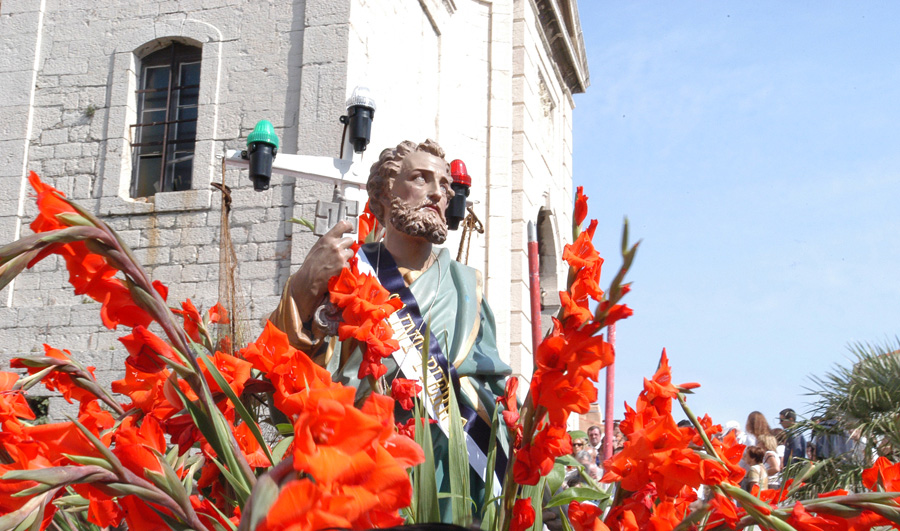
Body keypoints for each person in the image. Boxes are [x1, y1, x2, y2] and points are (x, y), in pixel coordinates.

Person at [269, 139, 512, 513]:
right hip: (362, 470)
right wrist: (304, 286)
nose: (437, 192)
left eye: (445, 185)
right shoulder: (343, 276)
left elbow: (495, 394)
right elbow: (281, 376)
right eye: (421, 178)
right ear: (384, 193)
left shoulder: (468, 291)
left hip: (451, 479)